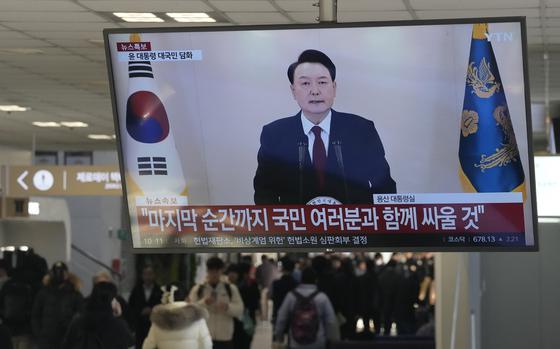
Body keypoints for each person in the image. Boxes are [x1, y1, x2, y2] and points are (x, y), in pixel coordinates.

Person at [254, 49, 396, 205]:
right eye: (305, 83)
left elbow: (384, 188)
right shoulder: (274, 135)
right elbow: (264, 194)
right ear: (293, 91)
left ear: (334, 88)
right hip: (297, 228)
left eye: (322, 82)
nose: (315, 91)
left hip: (354, 227)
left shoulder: (361, 130)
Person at [274, 267, 338, 349]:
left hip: (295, 343)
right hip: (318, 343)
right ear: (316, 280)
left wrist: (279, 336)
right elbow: (330, 322)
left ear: (301, 279)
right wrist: (331, 340)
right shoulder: (322, 297)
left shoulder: (291, 296)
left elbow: (281, 318)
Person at [188, 257, 244, 349]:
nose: (214, 274)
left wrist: (227, 307)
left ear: (221, 271)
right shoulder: (198, 289)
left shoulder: (230, 289)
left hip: (225, 339)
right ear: (207, 271)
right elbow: (190, 311)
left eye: (217, 271)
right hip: (203, 337)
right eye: (211, 271)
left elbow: (240, 309)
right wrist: (204, 302)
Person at [62, 281, 133, 349]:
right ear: (110, 300)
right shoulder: (118, 326)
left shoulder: (77, 322)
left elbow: (66, 345)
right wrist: (119, 317)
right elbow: (129, 343)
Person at [142, 282, 212, 349]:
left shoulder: (158, 318)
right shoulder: (196, 316)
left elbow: (148, 346)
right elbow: (206, 344)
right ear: (187, 297)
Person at [31, 261, 83, 349]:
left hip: (67, 340)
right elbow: (35, 315)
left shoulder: (75, 294)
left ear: (67, 274)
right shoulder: (43, 293)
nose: (59, 274)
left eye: (61, 272)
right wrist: (39, 334)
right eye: (56, 272)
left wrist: (74, 336)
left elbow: (80, 316)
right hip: (46, 340)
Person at [128, 266, 163, 349]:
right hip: (139, 326)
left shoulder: (159, 290)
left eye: (150, 274)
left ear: (154, 275)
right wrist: (140, 311)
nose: (148, 277)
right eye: (145, 274)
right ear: (142, 276)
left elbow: (162, 306)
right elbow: (130, 306)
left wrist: (152, 310)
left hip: (153, 325)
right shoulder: (136, 290)